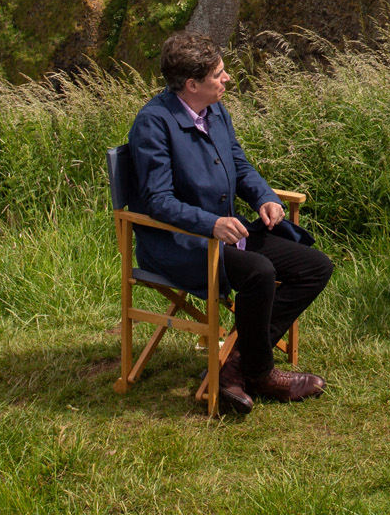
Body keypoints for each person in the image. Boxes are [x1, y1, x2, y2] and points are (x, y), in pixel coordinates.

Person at [127, 31, 334, 416]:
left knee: (315, 266)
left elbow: (238, 164)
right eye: (218, 74)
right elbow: (157, 200)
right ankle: (262, 372)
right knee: (259, 271)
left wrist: (265, 197)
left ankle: (237, 364)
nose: (227, 79)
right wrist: (210, 224)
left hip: (225, 234)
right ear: (191, 84)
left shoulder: (215, 110)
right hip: (179, 245)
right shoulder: (153, 124)